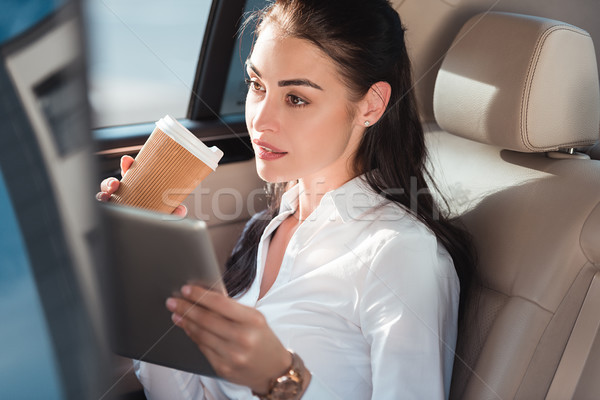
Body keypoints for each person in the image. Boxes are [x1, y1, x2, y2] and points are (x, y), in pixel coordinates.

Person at [98, 0, 473, 398]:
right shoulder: (266, 228)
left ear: (371, 105)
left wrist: (281, 380)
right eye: (257, 85)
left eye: (296, 98)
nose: (259, 120)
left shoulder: (401, 254)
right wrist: (140, 262)